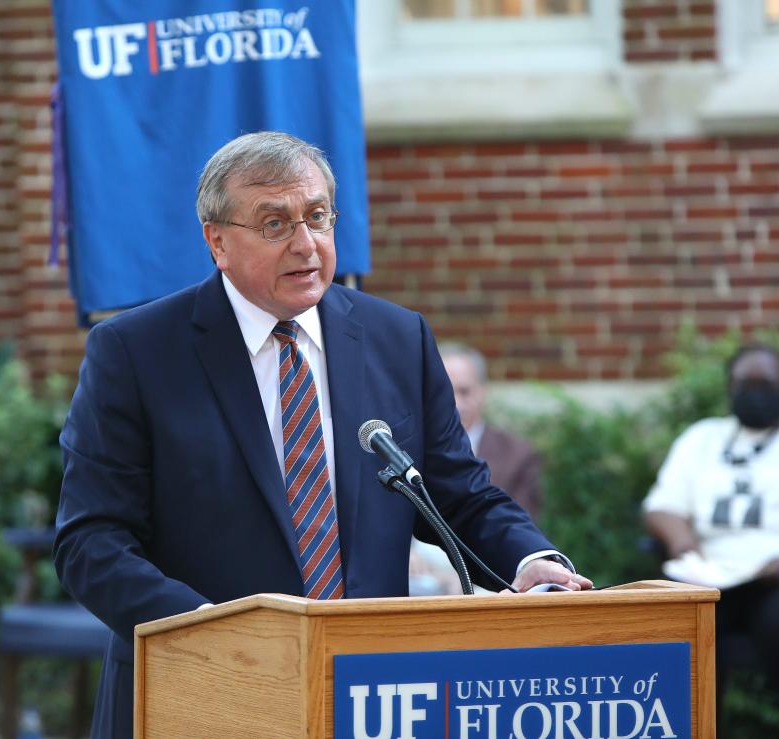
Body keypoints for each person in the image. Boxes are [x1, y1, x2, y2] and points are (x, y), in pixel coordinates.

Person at [54, 131, 593, 737]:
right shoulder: (136, 352)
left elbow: (458, 497)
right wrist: (208, 631)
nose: (305, 244)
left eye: (317, 217)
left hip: (371, 695)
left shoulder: (398, 339)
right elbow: (91, 542)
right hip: (200, 688)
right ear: (217, 242)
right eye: (274, 224)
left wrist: (529, 559)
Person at [642, 343, 779, 724]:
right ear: (729, 386)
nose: (753, 391)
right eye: (743, 382)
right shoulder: (702, 438)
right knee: (680, 632)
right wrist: (683, 542)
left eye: (764, 382)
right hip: (705, 575)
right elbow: (661, 507)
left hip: (771, 581)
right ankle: (697, 727)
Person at [410, 343, 544, 595]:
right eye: (445, 391)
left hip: (490, 580)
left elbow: (519, 523)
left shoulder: (517, 453)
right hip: (418, 578)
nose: (455, 403)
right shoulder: (403, 447)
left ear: (482, 392)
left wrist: (459, 573)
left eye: (464, 391)